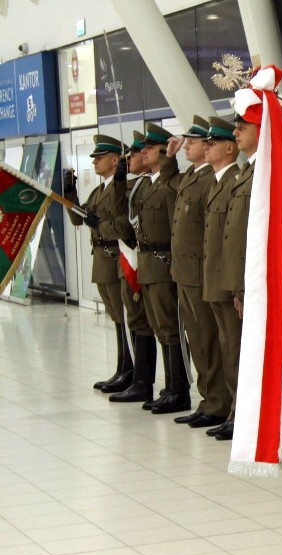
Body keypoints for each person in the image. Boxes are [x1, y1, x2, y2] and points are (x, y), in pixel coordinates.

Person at [167, 116, 227, 425]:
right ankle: (207, 398)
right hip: (185, 271)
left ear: (208, 147)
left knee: (208, 339)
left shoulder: (209, 181)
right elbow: (167, 183)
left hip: (201, 272)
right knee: (197, 337)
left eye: (192, 142)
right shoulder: (193, 176)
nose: (185, 146)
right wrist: (169, 159)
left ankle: (217, 401)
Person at [64, 135, 132, 394]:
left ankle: (128, 369)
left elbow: (117, 222)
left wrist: (98, 224)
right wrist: (70, 194)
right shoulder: (98, 190)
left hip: (115, 258)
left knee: (123, 317)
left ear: (115, 160)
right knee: (115, 317)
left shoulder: (118, 189)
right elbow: (78, 220)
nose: (95, 162)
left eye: (100, 158)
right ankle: (122, 367)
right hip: (101, 261)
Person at [131, 123, 190, 412]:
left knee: (170, 328)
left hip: (164, 262)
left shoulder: (167, 183)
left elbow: (174, 228)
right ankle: (169, 386)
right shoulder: (148, 184)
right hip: (148, 264)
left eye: (149, 148)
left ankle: (179, 389)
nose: (143, 152)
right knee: (159, 327)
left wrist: (170, 158)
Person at [211, 106, 259, 442]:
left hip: (248, 279)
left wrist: (243, 285)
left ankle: (245, 414)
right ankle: (236, 410)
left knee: (242, 349)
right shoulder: (247, 172)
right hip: (232, 277)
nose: (236, 131)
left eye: (243, 126)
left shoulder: (263, 173)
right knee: (230, 348)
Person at [101, 131, 159, 404]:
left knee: (156, 326)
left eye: (135, 153)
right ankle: (137, 378)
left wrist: (102, 227)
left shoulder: (151, 184)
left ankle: (145, 381)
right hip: (135, 260)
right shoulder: (135, 186)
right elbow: (117, 210)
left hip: (150, 260)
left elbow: (122, 223)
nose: (134, 157)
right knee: (136, 321)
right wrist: (121, 182)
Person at [202, 116, 242, 439]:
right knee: (225, 348)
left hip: (228, 281)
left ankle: (237, 413)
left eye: (212, 143)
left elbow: (236, 239)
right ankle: (231, 409)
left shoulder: (235, 180)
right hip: (214, 279)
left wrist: (235, 285)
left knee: (235, 349)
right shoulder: (217, 183)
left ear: (230, 148)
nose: (205, 147)